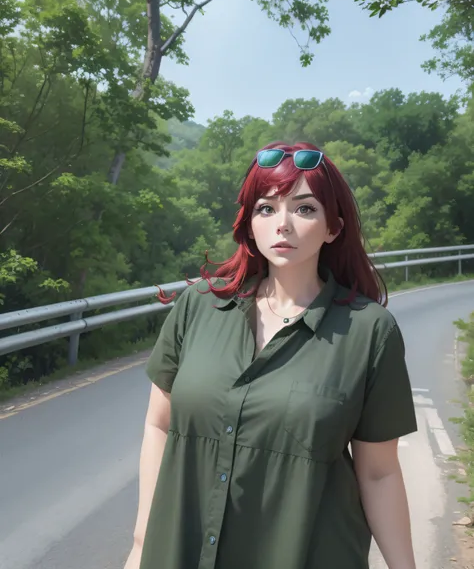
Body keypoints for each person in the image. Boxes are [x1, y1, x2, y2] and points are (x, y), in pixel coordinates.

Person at [124, 142, 418, 569]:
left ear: (333, 227)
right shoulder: (199, 306)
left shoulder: (369, 331)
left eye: (304, 209)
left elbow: (378, 473)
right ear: (249, 224)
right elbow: (159, 425)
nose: (283, 225)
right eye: (266, 208)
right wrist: (141, 543)